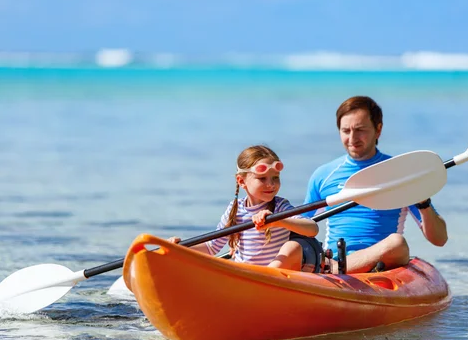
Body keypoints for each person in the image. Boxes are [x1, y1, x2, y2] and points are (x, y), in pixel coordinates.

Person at [304, 96, 448, 273]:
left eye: (360, 130)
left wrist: (423, 202)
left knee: (397, 242)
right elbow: (302, 224)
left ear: (378, 130)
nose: (352, 138)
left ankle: (339, 269)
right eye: (346, 131)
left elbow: (439, 239)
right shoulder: (323, 175)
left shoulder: (400, 174)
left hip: (382, 264)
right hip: (334, 258)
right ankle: (338, 268)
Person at [169, 145, 319, 270]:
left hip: (274, 276)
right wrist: (180, 248)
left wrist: (278, 221)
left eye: (275, 178)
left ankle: (266, 276)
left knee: (292, 247)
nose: (271, 184)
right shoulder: (235, 210)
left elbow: (312, 229)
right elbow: (211, 247)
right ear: (241, 181)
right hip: (246, 275)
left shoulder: (280, 206)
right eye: (262, 178)